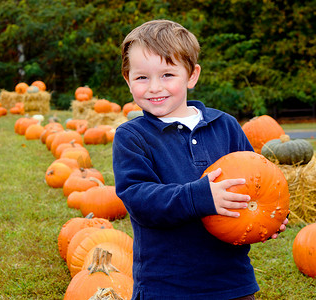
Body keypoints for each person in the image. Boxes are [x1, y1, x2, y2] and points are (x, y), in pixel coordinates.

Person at [112, 19, 288, 300]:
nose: (155, 87)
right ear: (127, 79)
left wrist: (271, 212)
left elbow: (258, 180)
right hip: (166, 285)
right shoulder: (132, 136)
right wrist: (199, 197)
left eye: (168, 74)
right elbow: (139, 198)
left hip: (233, 282)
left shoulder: (226, 126)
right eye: (142, 77)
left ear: (191, 76)